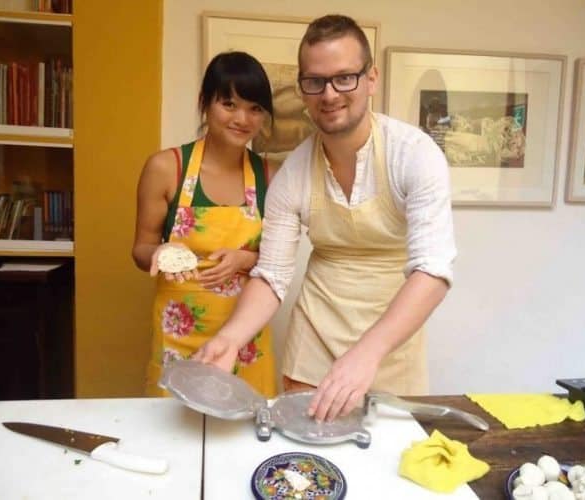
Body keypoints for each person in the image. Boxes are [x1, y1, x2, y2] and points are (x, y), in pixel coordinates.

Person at [193, 15, 456, 421]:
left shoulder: (414, 155)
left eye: (344, 78)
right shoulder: (294, 172)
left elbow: (432, 271)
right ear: (303, 89)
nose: (329, 94)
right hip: (315, 340)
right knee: (310, 463)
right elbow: (272, 275)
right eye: (315, 81)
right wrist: (229, 339)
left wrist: (365, 354)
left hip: (391, 343)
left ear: (371, 79)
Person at [132, 51, 277, 398]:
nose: (243, 118)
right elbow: (140, 249)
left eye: (255, 108)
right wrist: (161, 252)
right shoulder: (167, 168)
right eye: (229, 104)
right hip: (178, 334)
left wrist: (246, 260)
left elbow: (278, 263)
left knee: (241, 434)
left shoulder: (269, 176)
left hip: (246, 337)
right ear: (205, 104)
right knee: (174, 431)